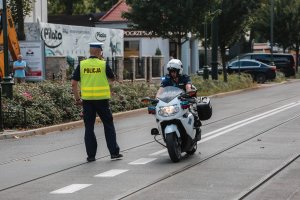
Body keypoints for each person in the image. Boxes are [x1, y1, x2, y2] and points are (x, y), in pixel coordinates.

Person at [71, 42, 123, 162]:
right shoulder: (103, 64)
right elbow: (112, 78)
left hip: (87, 101)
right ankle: (114, 153)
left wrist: (78, 99)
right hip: (102, 101)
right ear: (100, 52)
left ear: (90, 51)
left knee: (89, 127)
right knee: (108, 125)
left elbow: (73, 83)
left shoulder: (82, 64)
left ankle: (91, 156)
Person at [158, 58, 201, 127]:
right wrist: (156, 99)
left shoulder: (185, 78)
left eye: (174, 71)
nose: (173, 73)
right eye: (171, 71)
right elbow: (161, 90)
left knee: (192, 113)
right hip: (171, 102)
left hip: (183, 99)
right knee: (160, 116)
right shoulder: (167, 80)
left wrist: (189, 91)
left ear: (179, 71)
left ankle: (196, 128)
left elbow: (188, 86)